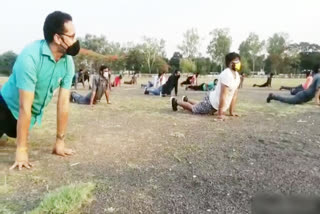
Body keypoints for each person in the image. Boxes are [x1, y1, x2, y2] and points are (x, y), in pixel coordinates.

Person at [0, 11, 79, 170]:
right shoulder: (30, 57)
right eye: (72, 36)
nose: (75, 40)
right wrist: (21, 151)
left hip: (23, 121)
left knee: (13, 133)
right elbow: (24, 107)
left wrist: (60, 141)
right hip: (4, 109)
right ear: (58, 38)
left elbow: (63, 103)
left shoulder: (67, 62)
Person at [170, 52, 241, 121]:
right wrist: (220, 114)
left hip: (214, 102)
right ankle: (176, 102)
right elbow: (223, 95)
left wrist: (231, 112)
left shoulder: (237, 76)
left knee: (200, 105)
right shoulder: (227, 74)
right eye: (237, 61)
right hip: (212, 102)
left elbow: (234, 95)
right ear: (231, 63)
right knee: (194, 109)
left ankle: (186, 100)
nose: (239, 63)